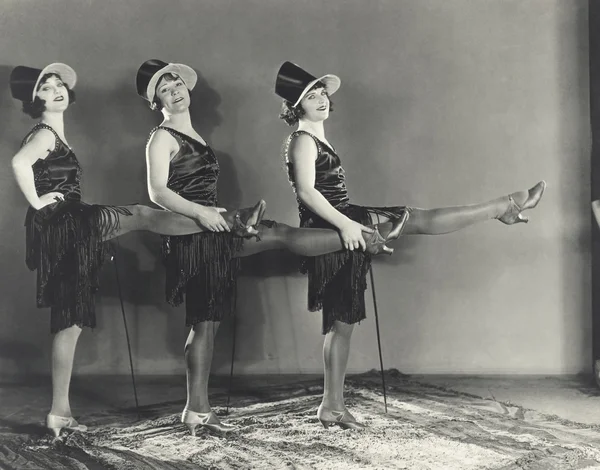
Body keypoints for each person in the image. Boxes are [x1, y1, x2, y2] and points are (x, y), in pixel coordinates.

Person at [9, 63, 278, 437]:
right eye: (45, 89)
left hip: (65, 226)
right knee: (142, 214)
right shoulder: (43, 133)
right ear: (33, 100)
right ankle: (231, 221)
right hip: (67, 222)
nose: (55, 91)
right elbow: (19, 162)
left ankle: (59, 414)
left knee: (69, 323)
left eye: (58, 85)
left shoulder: (53, 132)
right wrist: (38, 203)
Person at [275, 61, 546, 429]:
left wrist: (348, 222)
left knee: (343, 320)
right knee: (409, 226)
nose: (321, 98)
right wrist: (347, 226)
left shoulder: (315, 136)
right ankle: (505, 206)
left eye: (322, 91)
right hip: (332, 228)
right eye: (311, 96)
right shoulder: (302, 140)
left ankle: (331, 406)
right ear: (297, 106)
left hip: (341, 221)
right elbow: (307, 193)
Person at [136, 59, 400, 436]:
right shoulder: (161, 136)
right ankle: (195, 410)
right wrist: (201, 213)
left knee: (209, 320)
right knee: (202, 320)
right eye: (165, 89)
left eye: (176, 83)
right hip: (189, 235)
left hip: (210, 230)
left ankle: (198, 408)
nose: (175, 91)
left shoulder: (191, 134)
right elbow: (157, 191)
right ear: (155, 101)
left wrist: (220, 216)